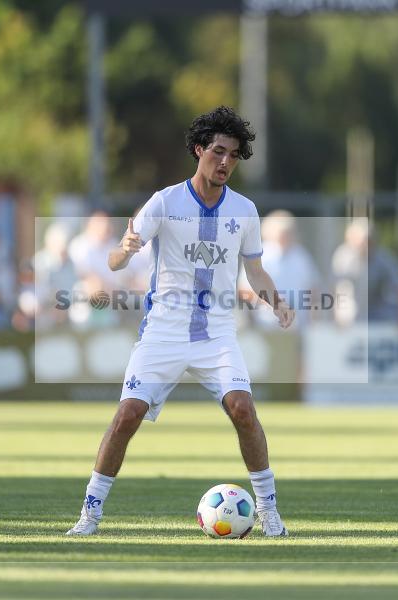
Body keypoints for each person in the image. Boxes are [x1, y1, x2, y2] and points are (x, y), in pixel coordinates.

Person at [66, 106, 294, 537]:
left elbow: (256, 270)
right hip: (163, 331)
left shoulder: (244, 211)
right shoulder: (166, 201)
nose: (225, 161)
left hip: (217, 333)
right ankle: (90, 514)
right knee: (127, 415)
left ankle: (268, 511)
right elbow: (114, 261)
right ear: (199, 150)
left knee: (244, 410)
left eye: (233, 155)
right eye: (218, 152)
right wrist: (128, 248)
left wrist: (277, 302)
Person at [331, 218, 398, 332]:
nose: (366, 246)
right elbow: (340, 290)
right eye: (362, 242)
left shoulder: (384, 260)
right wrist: (338, 317)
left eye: (369, 241)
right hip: (353, 312)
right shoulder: (343, 258)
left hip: (378, 311)